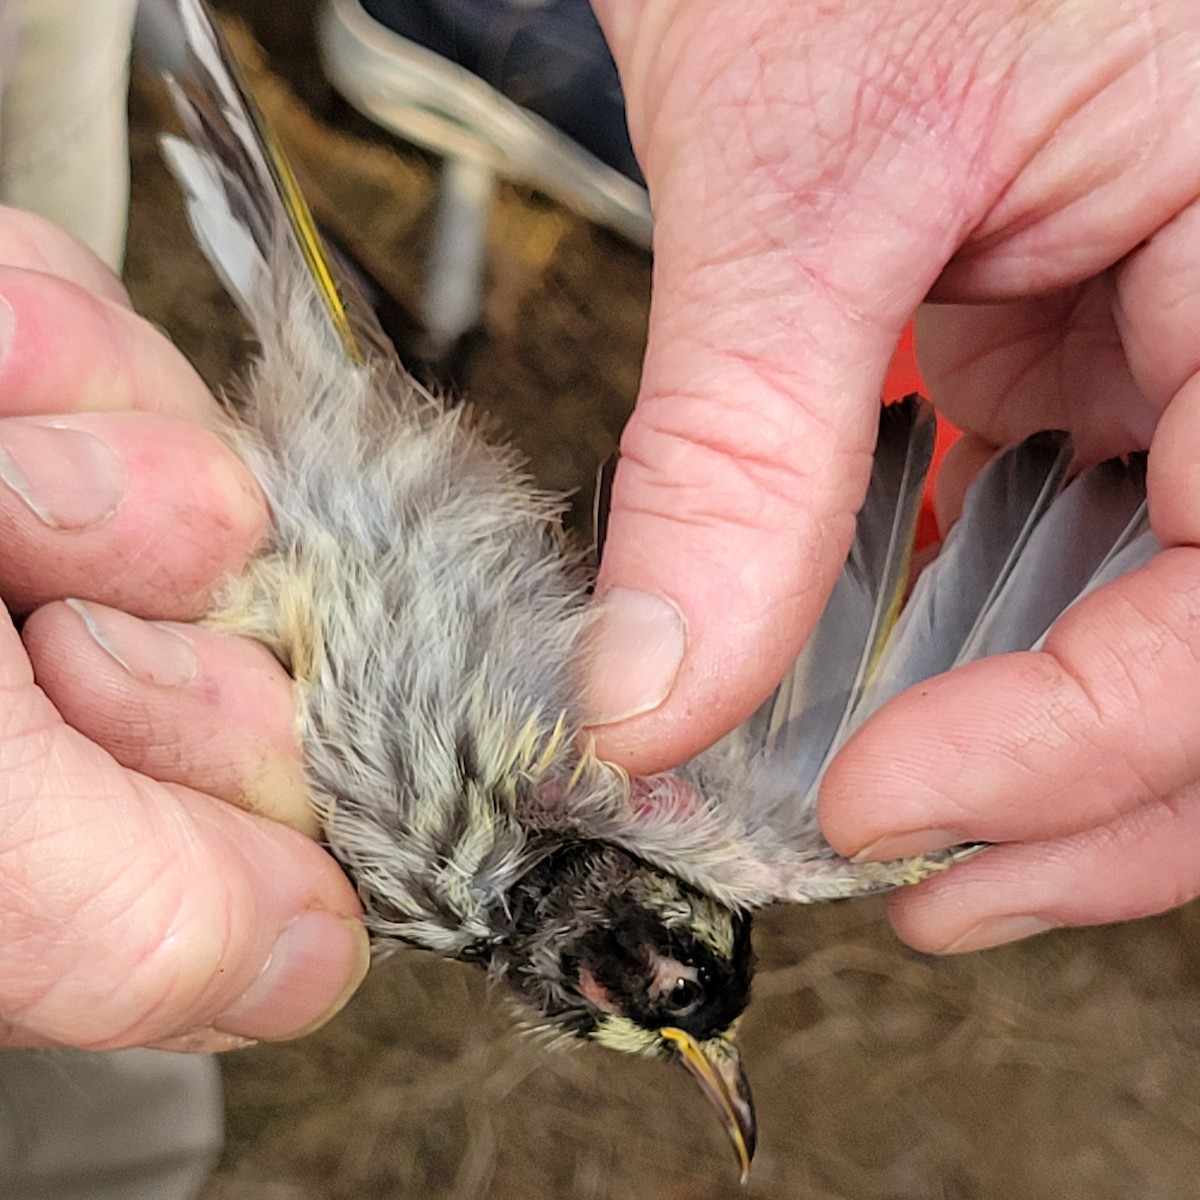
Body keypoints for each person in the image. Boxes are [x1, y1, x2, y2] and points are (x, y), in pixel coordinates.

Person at [4, 0, 1200, 1062]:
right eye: (669, 1006)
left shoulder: (423, 897)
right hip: (354, 489)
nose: (659, 1031)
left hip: (231, 548)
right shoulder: (653, 803)